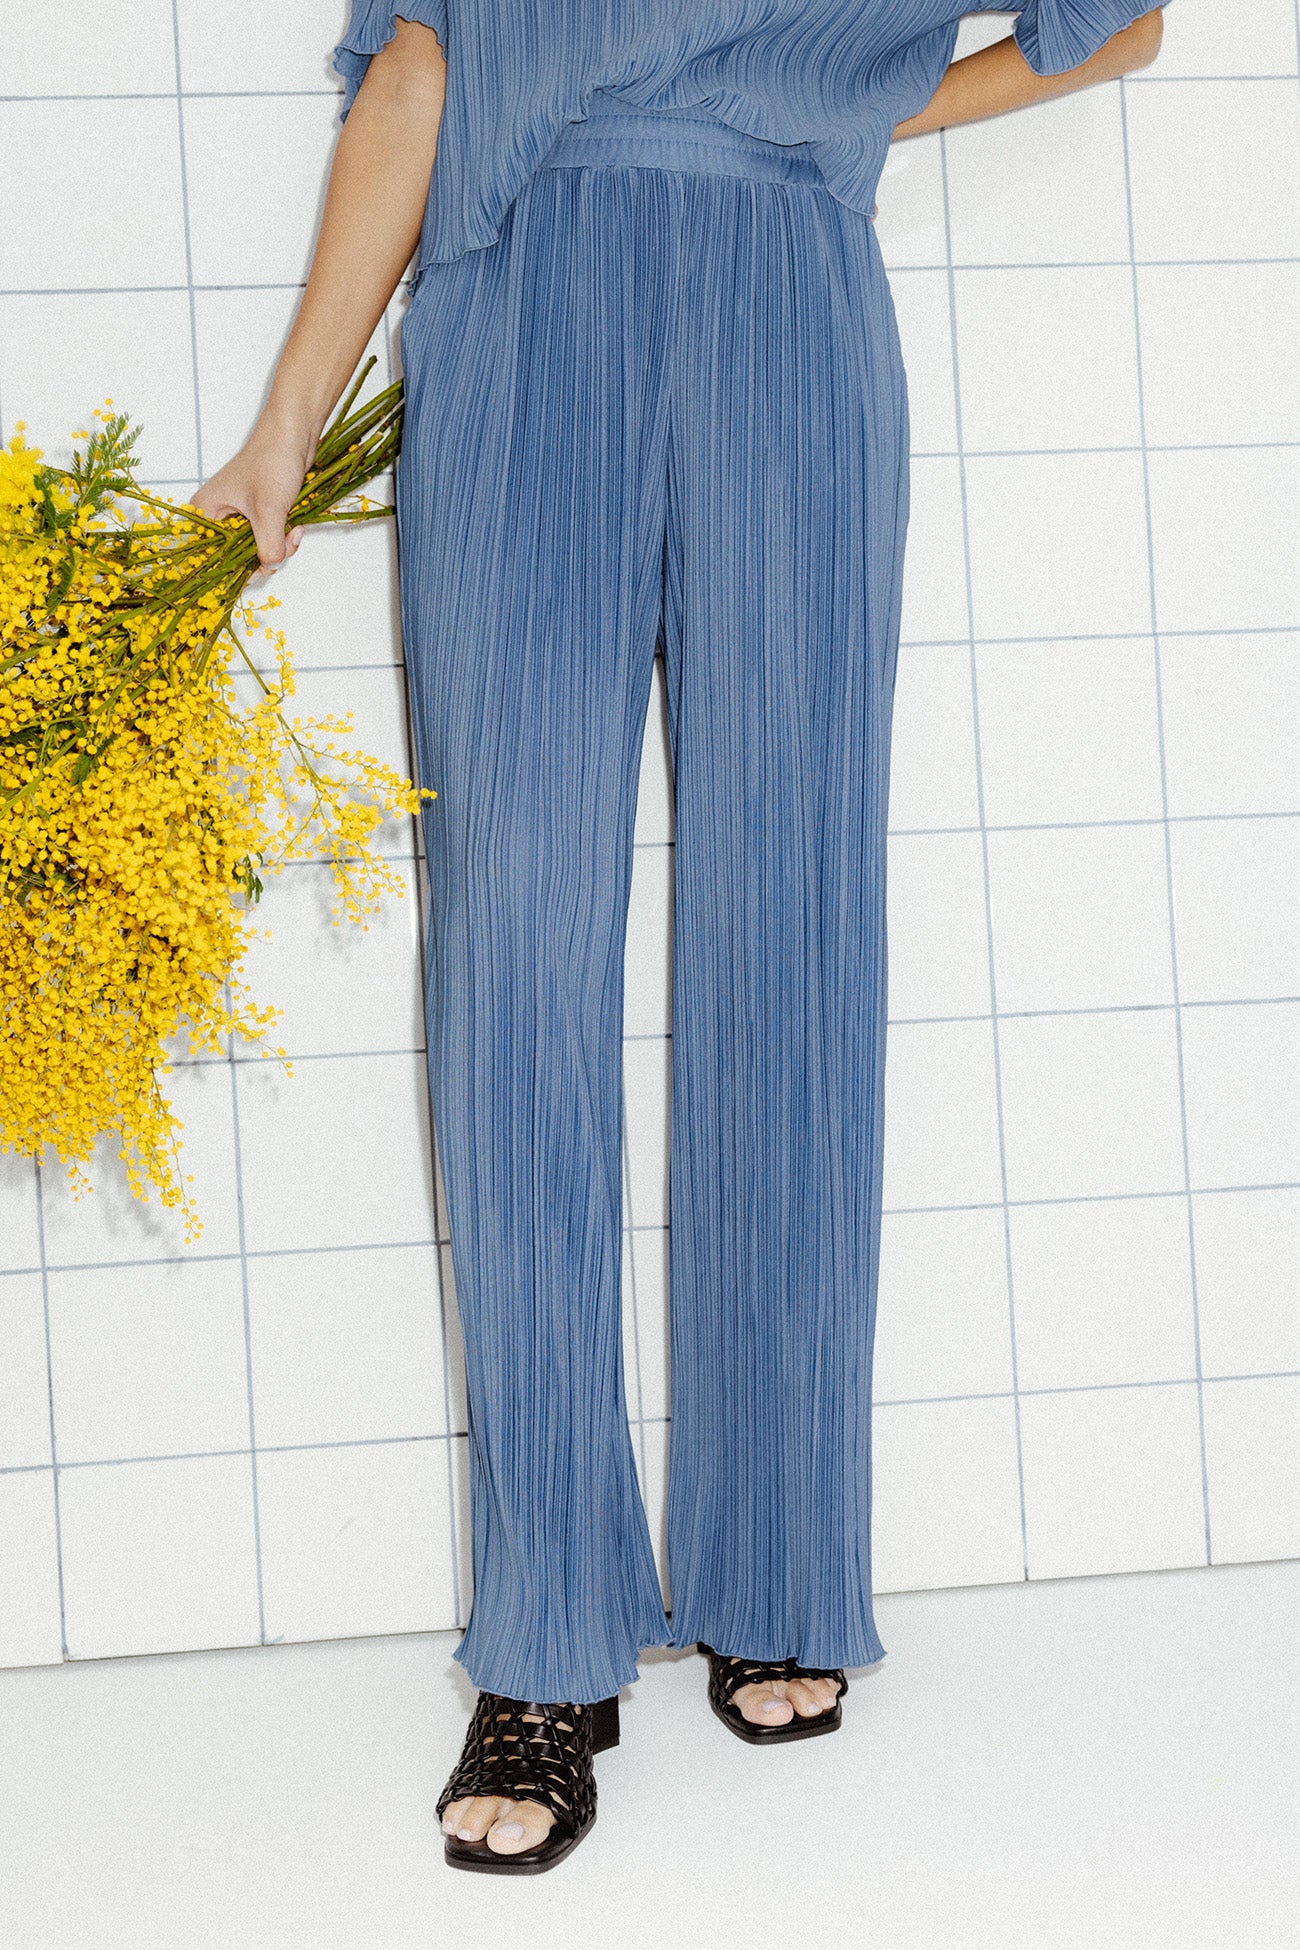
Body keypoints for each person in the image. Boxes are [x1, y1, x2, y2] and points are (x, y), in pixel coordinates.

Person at [195, 0, 1166, 1874]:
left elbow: (1114, 25)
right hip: (519, 311)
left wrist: (840, 113)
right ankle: (545, 1636)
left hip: (792, 309)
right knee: (518, 957)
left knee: (789, 937)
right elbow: (421, 70)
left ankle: (780, 1553)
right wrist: (284, 427)